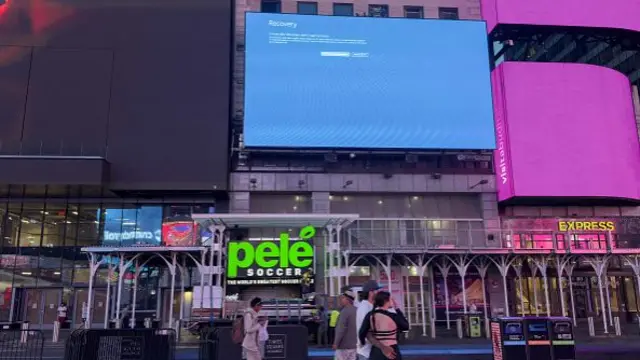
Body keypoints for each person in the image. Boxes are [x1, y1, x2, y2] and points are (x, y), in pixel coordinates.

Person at [359, 291, 409, 360]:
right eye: (391, 299)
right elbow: (406, 326)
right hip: (392, 350)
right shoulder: (393, 316)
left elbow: (362, 332)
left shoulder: (370, 315)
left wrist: (362, 342)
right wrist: (397, 308)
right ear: (386, 301)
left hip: (376, 351)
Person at [356, 280, 382, 360]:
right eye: (377, 290)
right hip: (366, 352)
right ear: (371, 292)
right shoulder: (364, 308)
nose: (379, 292)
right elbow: (366, 329)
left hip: (371, 350)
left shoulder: (371, 306)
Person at [333, 289, 358, 360]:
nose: (341, 300)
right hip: (354, 345)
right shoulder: (357, 310)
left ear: (348, 300)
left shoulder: (345, 312)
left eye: (343, 298)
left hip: (343, 346)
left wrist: (336, 343)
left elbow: (341, 329)